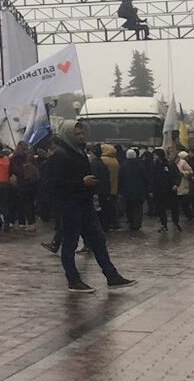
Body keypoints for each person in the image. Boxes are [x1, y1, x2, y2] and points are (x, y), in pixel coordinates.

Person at [48, 123, 135, 294]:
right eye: (77, 134)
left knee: (98, 241)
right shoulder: (61, 155)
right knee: (70, 244)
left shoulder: (80, 152)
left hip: (85, 204)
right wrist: (81, 182)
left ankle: (112, 276)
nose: (81, 136)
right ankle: (73, 280)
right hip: (71, 205)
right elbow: (55, 183)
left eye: (82, 133)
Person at [117, 149, 149, 231]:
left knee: (129, 207)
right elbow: (145, 178)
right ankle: (137, 224)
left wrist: (120, 190)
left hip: (127, 191)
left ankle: (131, 221)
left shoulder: (123, 166)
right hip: (139, 191)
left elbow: (120, 179)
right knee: (138, 208)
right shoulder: (140, 165)